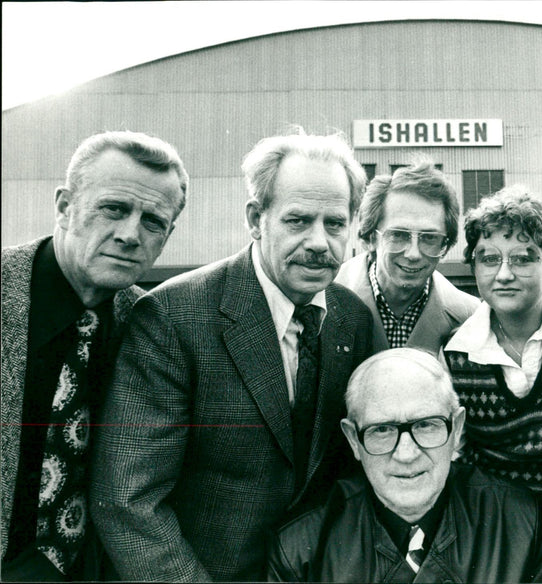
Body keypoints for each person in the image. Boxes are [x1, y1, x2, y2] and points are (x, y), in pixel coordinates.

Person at [90, 130, 374, 581]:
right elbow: (129, 501)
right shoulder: (172, 318)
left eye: (335, 223)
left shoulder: (353, 319)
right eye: (298, 221)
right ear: (256, 218)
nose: (320, 242)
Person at [1, 130, 188, 581]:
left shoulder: (152, 323)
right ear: (65, 207)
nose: (129, 235)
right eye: (114, 209)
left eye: (152, 221)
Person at [265, 348, 542, 583]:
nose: (406, 454)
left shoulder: (520, 522)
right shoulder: (300, 550)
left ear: (456, 429)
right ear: (353, 439)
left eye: (426, 425)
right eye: (382, 430)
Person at [442, 185, 542, 574]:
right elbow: (457, 458)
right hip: (499, 530)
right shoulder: (455, 354)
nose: (504, 274)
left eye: (524, 258)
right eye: (488, 258)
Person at [335, 160, 478, 354]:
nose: (413, 254)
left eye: (429, 238)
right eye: (398, 235)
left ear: (445, 245)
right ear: (370, 238)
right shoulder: (321, 302)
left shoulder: (470, 317)